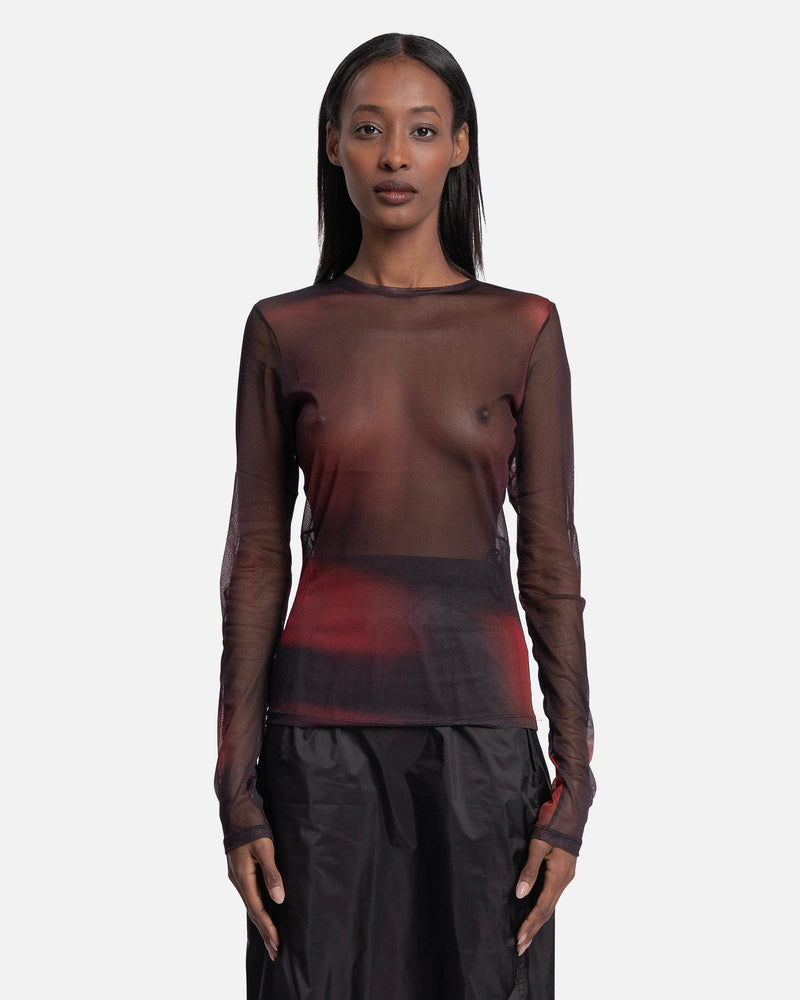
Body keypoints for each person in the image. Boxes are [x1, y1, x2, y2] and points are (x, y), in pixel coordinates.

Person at [215, 32, 595, 1000]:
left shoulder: (523, 328)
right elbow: (256, 558)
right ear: (332, 144)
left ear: (459, 146)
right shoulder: (284, 329)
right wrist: (236, 787)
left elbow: (550, 561)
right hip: (316, 750)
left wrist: (574, 784)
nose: (394, 156)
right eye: (368, 129)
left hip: (482, 745)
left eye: (422, 130)